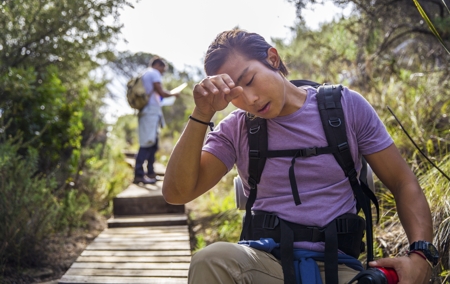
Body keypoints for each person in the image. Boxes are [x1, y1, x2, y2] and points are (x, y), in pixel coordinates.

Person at [162, 30, 436, 283]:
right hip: (266, 263)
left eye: (249, 80)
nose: (251, 100)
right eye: (236, 95)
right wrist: (201, 113)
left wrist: (421, 255)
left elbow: (403, 182)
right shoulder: (237, 128)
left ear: (272, 58)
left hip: (340, 268)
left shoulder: (345, 108)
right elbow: (176, 193)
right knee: (211, 260)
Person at [133, 57, 178, 185]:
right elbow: (161, 92)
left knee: (153, 145)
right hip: (150, 113)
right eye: (162, 69)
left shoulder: (146, 74)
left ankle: (150, 172)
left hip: (151, 113)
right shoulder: (153, 73)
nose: (162, 73)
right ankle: (139, 175)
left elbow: (158, 96)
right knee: (147, 143)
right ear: (157, 65)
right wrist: (174, 94)